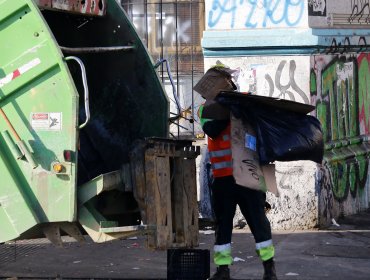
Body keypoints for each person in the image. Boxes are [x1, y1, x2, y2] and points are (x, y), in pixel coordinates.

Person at [198, 65, 277, 280]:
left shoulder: (244, 104)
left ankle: (269, 268)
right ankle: (223, 269)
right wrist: (227, 109)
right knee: (223, 226)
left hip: (246, 176)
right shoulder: (206, 110)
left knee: (258, 223)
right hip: (226, 179)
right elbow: (211, 129)